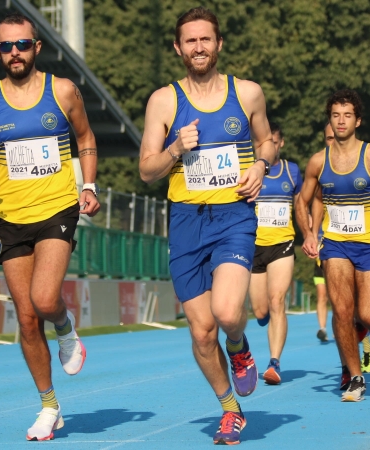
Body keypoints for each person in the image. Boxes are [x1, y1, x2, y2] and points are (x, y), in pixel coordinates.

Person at [137, 7, 277, 445]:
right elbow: (146, 169)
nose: (199, 47)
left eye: (206, 40)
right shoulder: (163, 101)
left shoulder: (248, 93)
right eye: (190, 41)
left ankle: (238, 345)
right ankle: (229, 410)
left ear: (219, 44)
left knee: (227, 313)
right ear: (178, 48)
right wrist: (176, 146)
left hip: (234, 216)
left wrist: (261, 165)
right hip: (185, 222)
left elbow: (268, 141)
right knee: (200, 333)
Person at [0, 13, 95, 441]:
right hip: (11, 216)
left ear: (37, 47)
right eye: (7, 47)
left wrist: (88, 184)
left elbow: (86, 139)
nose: (15, 53)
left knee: (43, 298)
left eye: (22, 44)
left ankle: (65, 326)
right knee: (24, 319)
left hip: (57, 208)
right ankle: (48, 406)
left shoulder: (62, 91)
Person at [296, 89, 370, 402]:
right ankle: (355, 376)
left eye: (347, 115)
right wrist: (308, 233)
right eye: (335, 115)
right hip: (335, 245)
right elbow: (302, 201)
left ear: (357, 120)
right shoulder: (318, 162)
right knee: (342, 310)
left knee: (369, 314)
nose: (341, 121)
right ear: (329, 120)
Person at [248, 122, 303, 385]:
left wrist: (313, 232)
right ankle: (266, 317)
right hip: (253, 247)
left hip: (282, 244)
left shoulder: (291, 172)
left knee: (277, 300)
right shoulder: (249, 171)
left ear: (280, 144)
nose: (270, 146)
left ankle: (274, 363)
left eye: (274, 142)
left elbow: (303, 204)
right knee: (260, 311)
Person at [314, 124, 337, 342]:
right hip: (324, 246)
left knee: (339, 297)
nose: (333, 141)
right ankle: (322, 328)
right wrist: (311, 234)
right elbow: (311, 201)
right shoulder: (319, 166)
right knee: (323, 294)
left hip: (352, 244)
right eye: (328, 138)